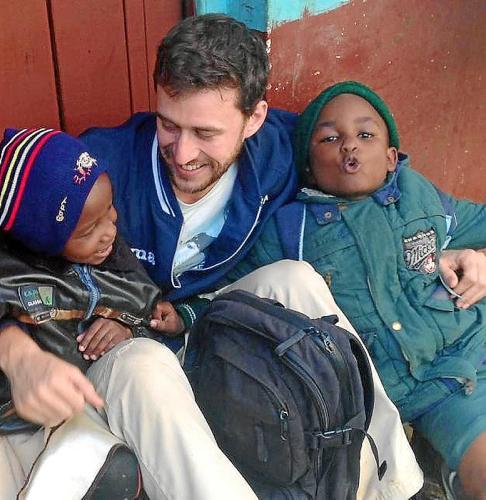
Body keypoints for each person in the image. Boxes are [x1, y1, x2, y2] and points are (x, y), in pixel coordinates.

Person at [77, 13, 486, 498]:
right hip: (126, 349)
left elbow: (375, 172)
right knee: (144, 366)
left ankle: (391, 485)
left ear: (254, 119)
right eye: (169, 124)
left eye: (206, 133)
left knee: (294, 276)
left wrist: (461, 250)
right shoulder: (100, 163)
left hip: (209, 327)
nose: (183, 153)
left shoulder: (287, 149)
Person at [219, 80, 486, 499]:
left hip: (469, 350)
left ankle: (451, 470)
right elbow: (233, 292)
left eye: (365, 135)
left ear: (391, 157)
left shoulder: (420, 194)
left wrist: (480, 258)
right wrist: (185, 315)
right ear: (309, 166)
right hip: (392, 394)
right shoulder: (290, 229)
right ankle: (452, 467)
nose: (349, 145)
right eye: (330, 138)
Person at [0, 128, 257, 499]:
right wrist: (18, 353)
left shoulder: (112, 258)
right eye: (89, 229)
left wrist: (129, 328)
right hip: (23, 420)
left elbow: (145, 307)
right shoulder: (15, 274)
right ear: (42, 241)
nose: (110, 230)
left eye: (110, 210)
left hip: (97, 399)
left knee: (142, 361)